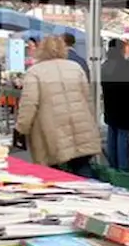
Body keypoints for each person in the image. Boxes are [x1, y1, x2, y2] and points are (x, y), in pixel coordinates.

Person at [15, 36, 100, 177]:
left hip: (52, 131)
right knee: (82, 167)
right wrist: (91, 123)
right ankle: (94, 196)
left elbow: (29, 105)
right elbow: (87, 100)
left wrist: (21, 129)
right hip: (80, 126)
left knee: (52, 174)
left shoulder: (35, 72)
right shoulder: (76, 68)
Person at [101, 39, 129, 173]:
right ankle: (123, 164)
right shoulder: (125, 65)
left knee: (112, 132)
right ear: (121, 49)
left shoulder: (105, 65)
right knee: (123, 134)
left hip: (110, 104)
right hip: (124, 105)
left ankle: (112, 163)